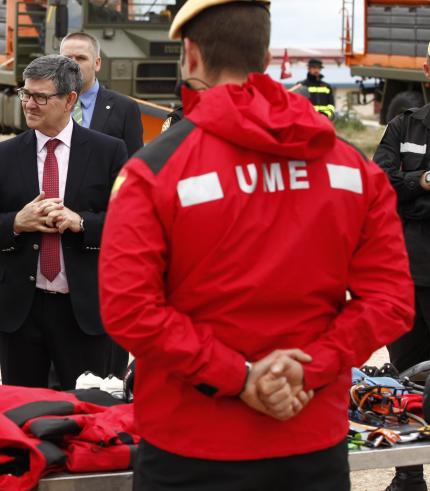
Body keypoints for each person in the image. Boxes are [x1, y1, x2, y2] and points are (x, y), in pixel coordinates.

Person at [98, 1, 414, 489]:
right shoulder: (352, 168)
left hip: (189, 447)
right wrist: (311, 369)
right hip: (310, 444)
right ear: (265, 57)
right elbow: (391, 302)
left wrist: (239, 377)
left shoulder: (155, 170)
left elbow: (128, 309)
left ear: (191, 55)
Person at [0, 55, 128, 389]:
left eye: (40, 97)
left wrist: (81, 222)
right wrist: (17, 223)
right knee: (22, 414)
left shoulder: (108, 151)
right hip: (21, 312)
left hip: (84, 312)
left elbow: (130, 227)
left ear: (70, 100)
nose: (29, 104)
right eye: (25, 94)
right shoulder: (4, 156)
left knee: (86, 413)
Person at [372, 40, 430, 491]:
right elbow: (381, 187)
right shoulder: (404, 125)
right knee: (404, 377)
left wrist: (412, 196)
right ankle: (409, 475)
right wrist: (424, 181)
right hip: (408, 277)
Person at [59, 31, 143, 155]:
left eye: (81, 58)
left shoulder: (125, 109)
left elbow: (134, 163)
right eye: (67, 59)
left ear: (97, 63)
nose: (73, 64)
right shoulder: (47, 103)